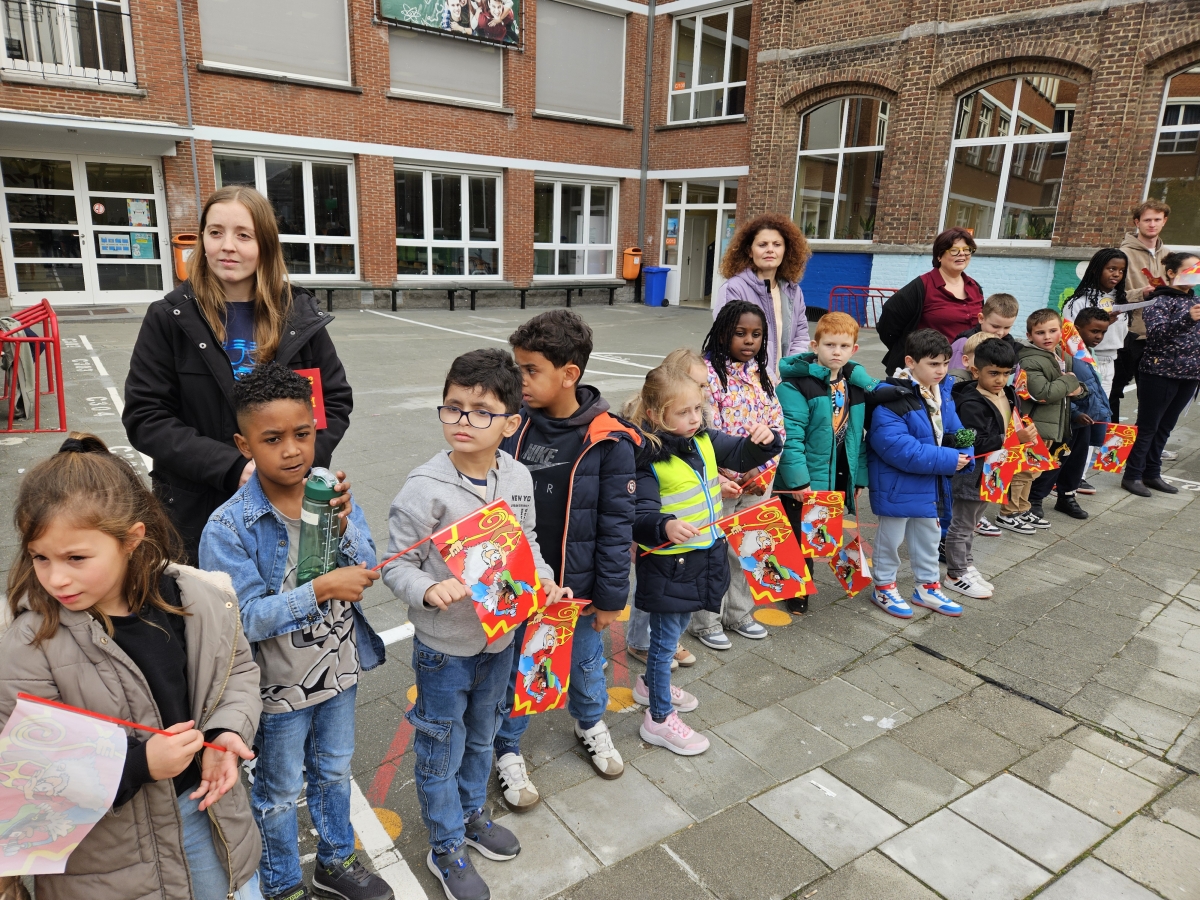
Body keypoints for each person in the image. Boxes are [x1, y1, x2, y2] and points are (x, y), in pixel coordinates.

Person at [0, 434, 264, 900]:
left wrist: (226, 731)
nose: (56, 577)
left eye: (76, 558)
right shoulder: (28, 646)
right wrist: (139, 764)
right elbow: (27, 779)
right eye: (40, 557)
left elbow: (236, 671)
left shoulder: (197, 600)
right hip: (109, 860)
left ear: (131, 539)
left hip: (208, 814)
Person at [198, 362, 387, 900]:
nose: (292, 451)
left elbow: (369, 565)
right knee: (279, 792)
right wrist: (320, 589)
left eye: (302, 434)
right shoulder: (229, 527)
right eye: (272, 439)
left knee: (334, 772)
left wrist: (344, 528)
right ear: (244, 444)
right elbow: (240, 619)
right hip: (276, 692)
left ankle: (335, 860)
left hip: (338, 673)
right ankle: (282, 882)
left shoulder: (331, 494)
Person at [381, 349, 562, 900]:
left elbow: (526, 542)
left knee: (482, 737)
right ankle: (444, 847)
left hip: (500, 640)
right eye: (453, 407)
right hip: (444, 648)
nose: (464, 420)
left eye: (482, 411)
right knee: (440, 747)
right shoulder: (424, 489)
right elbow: (394, 564)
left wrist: (544, 580)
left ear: (511, 423)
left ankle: (470, 815)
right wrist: (427, 589)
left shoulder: (518, 475)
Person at [124, 186, 352, 564]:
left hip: (288, 506)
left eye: (243, 235)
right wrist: (234, 467)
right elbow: (146, 417)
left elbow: (332, 402)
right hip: (197, 512)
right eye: (216, 233)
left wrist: (296, 465)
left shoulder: (297, 314)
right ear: (202, 240)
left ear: (265, 245)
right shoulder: (169, 318)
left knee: (290, 595)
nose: (227, 246)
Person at [490, 311, 641, 813]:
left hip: (578, 592)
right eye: (517, 367)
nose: (519, 379)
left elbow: (617, 527)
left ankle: (589, 722)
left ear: (569, 374)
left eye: (530, 370)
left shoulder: (609, 439)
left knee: (587, 664)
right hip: (521, 586)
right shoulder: (511, 425)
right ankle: (507, 747)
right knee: (519, 671)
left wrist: (610, 598)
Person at [628, 365, 782, 755]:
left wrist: (767, 439)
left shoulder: (702, 439)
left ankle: (650, 686)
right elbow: (639, 513)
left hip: (699, 555)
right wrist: (664, 525)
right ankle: (658, 718)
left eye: (698, 408)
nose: (695, 417)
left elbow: (743, 453)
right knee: (665, 641)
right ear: (656, 415)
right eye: (683, 412)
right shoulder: (645, 458)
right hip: (669, 564)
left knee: (676, 630)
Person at [689, 301, 781, 645]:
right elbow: (701, 430)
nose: (749, 341)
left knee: (747, 548)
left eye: (756, 334)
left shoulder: (763, 376)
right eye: (740, 333)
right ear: (722, 333)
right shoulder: (707, 376)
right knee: (713, 550)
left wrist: (763, 468)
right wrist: (727, 473)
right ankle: (705, 620)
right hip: (721, 480)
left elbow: (777, 425)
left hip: (758, 480)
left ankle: (739, 613)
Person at [866, 329, 973, 620]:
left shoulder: (942, 392)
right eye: (933, 364)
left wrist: (966, 451)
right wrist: (951, 459)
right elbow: (899, 449)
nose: (941, 370)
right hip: (897, 484)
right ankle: (883, 586)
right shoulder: (891, 397)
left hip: (929, 481)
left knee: (928, 536)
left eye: (945, 363)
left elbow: (957, 430)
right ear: (911, 362)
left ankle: (927, 586)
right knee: (890, 539)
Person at [775, 312, 876, 613]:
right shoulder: (795, 386)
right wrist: (798, 481)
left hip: (836, 475)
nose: (836, 352)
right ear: (814, 345)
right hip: (804, 478)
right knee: (797, 533)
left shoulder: (853, 386)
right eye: (830, 345)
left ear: (854, 349)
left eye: (844, 346)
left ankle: (805, 581)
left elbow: (857, 437)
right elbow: (791, 438)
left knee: (819, 533)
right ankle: (798, 590)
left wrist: (858, 478)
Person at [624, 348, 703, 672]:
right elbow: (639, 495)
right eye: (698, 385)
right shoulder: (649, 438)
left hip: (676, 532)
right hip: (654, 531)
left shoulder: (686, 428)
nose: (704, 395)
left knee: (667, 593)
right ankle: (642, 642)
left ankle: (662, 639)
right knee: (650, 590)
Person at [947, 338, 1036, 599]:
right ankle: (955, 574)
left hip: (996, 470)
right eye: (994, 373)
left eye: (1006, 373)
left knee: (974, 521)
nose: (1001, 379)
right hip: (973, 473)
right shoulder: (970, 402)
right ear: (976, 371)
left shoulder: (1007, 393)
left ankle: (966, 565)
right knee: (962, 523)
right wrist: (1013, 439)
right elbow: (971, 441)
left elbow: (1010, 423)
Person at [1122, 251, 1200, 498]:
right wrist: (1187, 319)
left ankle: (1152, 473)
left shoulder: (1194, 300)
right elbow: (1155, 336)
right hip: (1160, 372)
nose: (1195, 275)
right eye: (1190, 270)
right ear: (1171, 273)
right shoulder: (1160, 300)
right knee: (1148, 426)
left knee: (1166, 426)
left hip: (1189, 375)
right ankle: (1132, 475)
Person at [711, 213, 810, 380]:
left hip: (785, 382)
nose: (770, 249)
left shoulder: (793, 290)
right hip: (749, 382)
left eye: (777, 244)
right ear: (750, 251)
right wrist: (767, 378)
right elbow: (729, 340)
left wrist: (790, 373)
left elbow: (801, 336)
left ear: (785, 250)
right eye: (762, 244)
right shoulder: (734, 289)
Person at [877, 227, 985, 374]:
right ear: (939, 255)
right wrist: (912, 350)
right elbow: (888, 324)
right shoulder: (921, 287)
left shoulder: (974, 287)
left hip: (968, 369)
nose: (962, 254)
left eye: (967, 249)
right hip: (929, 371)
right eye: (954, 250)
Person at [1019, 309, 1085, 527]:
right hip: (1036, 426)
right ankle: (1013, 511)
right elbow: (1043, 393)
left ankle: (1022, 508)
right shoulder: (1031, 359)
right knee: (1027, 471)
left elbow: (1073, 388)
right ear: (1029, 336)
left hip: (1054, 424)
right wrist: (1070, 382)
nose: (1047, 337)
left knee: (1035, 471)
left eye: (1052, 331)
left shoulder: (1061, 354)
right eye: (1040, 333)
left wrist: (1078, 389)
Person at [1112, 201, 1171, 423]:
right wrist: (1141, 294)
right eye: (1147, 220)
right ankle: (1110, 438)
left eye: (1157, 219)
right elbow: (1110, 296)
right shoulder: (1121, 255)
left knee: (1152, 395)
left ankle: (1144, 439)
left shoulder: (1170, 256)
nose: (1152, 224)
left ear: (1164, 221)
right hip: (1129, 333)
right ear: (1137, 222)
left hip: (1159, 335)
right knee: (1114, 389)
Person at [1054, 308, 1112, 518]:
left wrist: (1102, 413)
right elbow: (1062, 392)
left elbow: (1095, 388)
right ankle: (1033, 501)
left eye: (1103, 332)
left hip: (1086, 418)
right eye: (1094, 331)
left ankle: (1067, 497)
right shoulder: (1065, 355)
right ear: (1076, 329)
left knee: (1077, 462)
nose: (1099, 337)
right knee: (1057, 461)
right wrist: (1074, 412)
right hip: (1068, 419)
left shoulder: (1088, 352)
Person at [1062, 249, 1130, 397]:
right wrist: (1104, 324)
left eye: (1121, 271)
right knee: (1084, 404)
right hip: (1084, 362)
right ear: (1095, 269)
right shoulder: (1078, 302)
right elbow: (1069, 337)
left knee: (1101, 405)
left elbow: (1122, 332)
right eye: (1111, 269)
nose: (1117, 274)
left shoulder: (1121, 301)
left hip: (1110, 361)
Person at [949, 293, 1020, 371]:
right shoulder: (963, 343)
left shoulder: (1010, 344)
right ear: (981, 318)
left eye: (1007, 327)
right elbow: (955, 374)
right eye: (995, 326)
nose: (1000, 332)